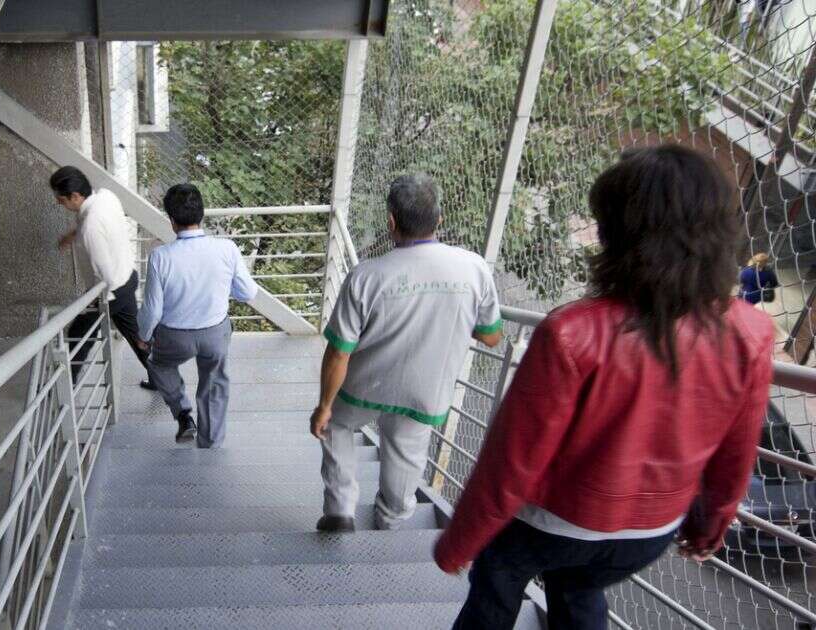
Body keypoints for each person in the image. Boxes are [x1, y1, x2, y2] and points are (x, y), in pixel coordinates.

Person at [433, 145, 775, 630]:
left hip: (555, 523)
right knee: (579, 584)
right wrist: (709, 528)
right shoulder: (752, 334)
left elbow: (512, 462)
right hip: (651, 532)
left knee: (499, 572)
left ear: (621, 233)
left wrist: (458, 543)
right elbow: (736, 455)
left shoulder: (572, 332)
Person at [311, 174, 502, 533]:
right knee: (404, 462)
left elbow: (339, 352)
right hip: (424, 393)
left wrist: (323, 407)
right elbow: (491, 337)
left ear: (391, 221)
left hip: (363, 387)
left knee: (335, 423)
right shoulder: (474, 268)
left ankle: (339, 511)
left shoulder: (366, 276)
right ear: (439, 220)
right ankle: (392, 523)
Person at [137, 183, 259, 446]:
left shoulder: (160, 256)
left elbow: (152, 309)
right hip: (215, 333)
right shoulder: (227, 249)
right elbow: (248, 293)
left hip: (174, 337)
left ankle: (183, 414)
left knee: (158, 364)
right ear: (201, 215)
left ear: (171, 221)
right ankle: (210, 443)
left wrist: (143, 336)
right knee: (214, 381)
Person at [49, 166, 153, 389]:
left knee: (79, 336)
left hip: (111, 291)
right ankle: (164, 380)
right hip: (128, 276)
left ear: (75, 196)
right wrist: (71, 235)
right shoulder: (106, 196)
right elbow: (89, 220)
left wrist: (96, 303)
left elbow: (104, 274)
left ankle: (63, 391)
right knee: (137, 337)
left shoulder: (90, 228)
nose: (59, 203)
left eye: (60, 199)